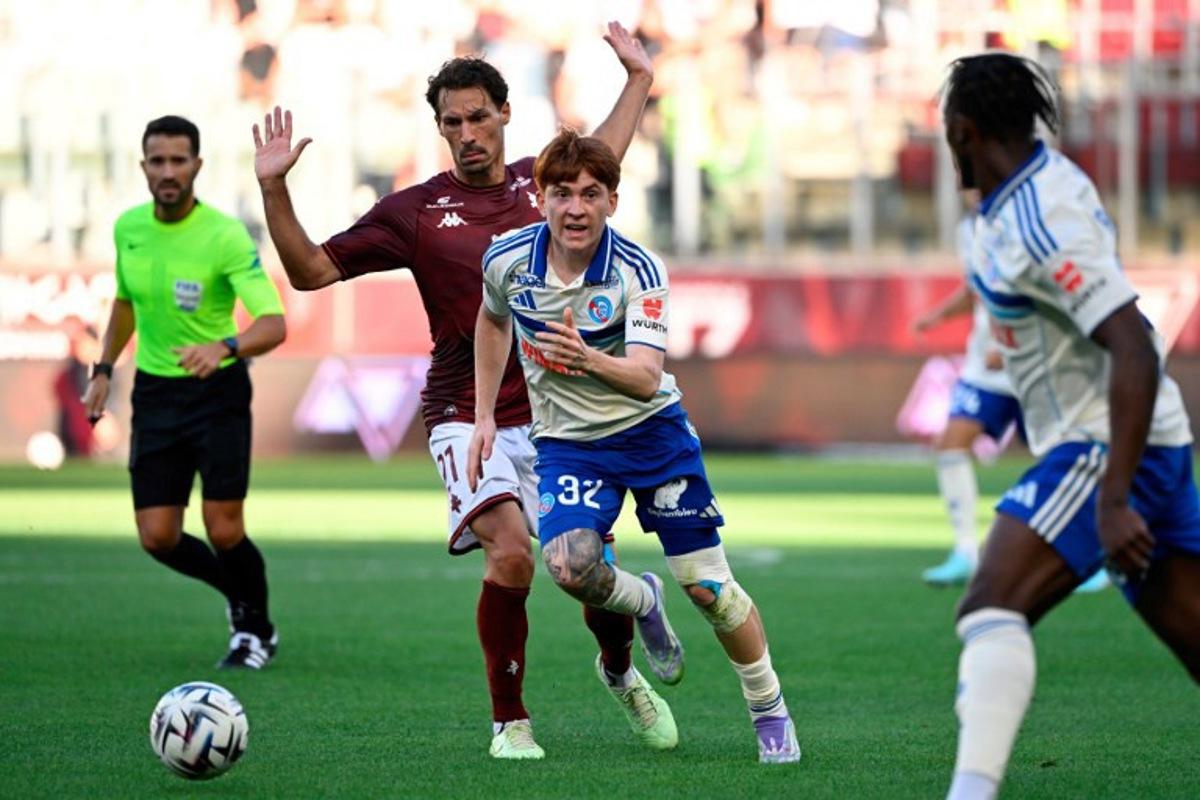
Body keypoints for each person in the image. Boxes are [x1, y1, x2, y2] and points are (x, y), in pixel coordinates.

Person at [252, 23, 668, 760]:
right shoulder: (415, 212)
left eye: (479, 116)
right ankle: (510, 722)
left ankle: (619, 669)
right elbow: (312, 272)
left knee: (585, 568)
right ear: (438, 127)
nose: (467, 132)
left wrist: (637, 79)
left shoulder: (542, 186)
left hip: (558, 414)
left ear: (506, 113)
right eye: (452, 121)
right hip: (459, 409)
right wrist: (273, 188)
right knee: (508, 553)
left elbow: (604, 153)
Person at [468, 130, 801, 764]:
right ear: (540, 199)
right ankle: (643, 599)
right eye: (561, 193)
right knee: (568, 566)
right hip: (569, 444)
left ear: (613, 202)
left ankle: (769, 709)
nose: (575, 208)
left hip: (653, 436)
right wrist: (484, 414)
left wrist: (584, 357)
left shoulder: (639, 270)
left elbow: (647, 375)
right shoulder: (506, 261)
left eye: (591, 194)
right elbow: (492, 319)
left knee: (710, 590)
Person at [940, 53, 1200, 800]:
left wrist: (1114, 497)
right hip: (1137, 441)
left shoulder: (1039, 217)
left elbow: (1135, 345)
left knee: (991, 602)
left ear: (964, 130)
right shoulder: (1016, 198)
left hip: (1109, 445)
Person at [83, 115, 287, 669]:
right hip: (154, 394)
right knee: (157, 536)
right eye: (158, 161)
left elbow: (273, 323)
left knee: (224, 528)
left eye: (178, 160)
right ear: (143, 166)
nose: (168, 171)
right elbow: (125, 303)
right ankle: (238, 594)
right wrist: (103, 368)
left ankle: (255, 630)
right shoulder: (129, 228)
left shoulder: (223, 235)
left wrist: (224, 347)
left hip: (216, 393)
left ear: (197, 165)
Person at [912, 198, 1022, 586]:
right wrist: (939, 316)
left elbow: (1038, 288)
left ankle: (1092, 555)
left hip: (1032, 358)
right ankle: (965, 551)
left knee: (1063, 454)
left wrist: (1010, 340)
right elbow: (977, 288)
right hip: (985, 367)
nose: (962, 182)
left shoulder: (1023, 217)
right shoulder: (969, 228)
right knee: (951, 443)